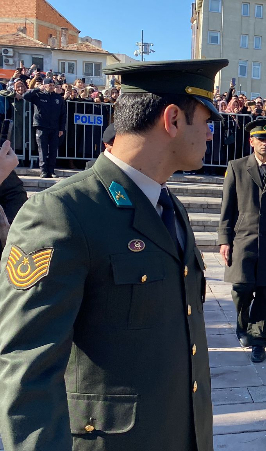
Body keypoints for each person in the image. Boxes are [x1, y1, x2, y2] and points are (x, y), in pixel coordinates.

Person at [0, 58, 228, 450]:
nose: (210, 134)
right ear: (172, 120)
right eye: (206, 120)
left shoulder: (169, 206)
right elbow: (26, 369)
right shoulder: (63, 211)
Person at [218, 119, 266, 363]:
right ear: (251, 141)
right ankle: (243, 324)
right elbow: (227, 208)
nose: (265, 143)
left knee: (264, 291)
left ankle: (258, 340)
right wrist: (224, 240)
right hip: (243, 239)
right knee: (241, 289)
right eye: (260, 139)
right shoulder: (237, 167)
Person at [23, 77, 67, 178]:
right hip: (41, 126)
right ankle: (43, 170)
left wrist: (61, 128)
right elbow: (25, 96)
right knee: (42, 149)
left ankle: (51, 170)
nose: (51, 87)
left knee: (52, 149)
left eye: (53, 85)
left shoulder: (58, 98)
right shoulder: (38, 95)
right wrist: (38, 89)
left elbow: (63, 114)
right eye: (49, 85)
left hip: (54, 127)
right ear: (45, 85)